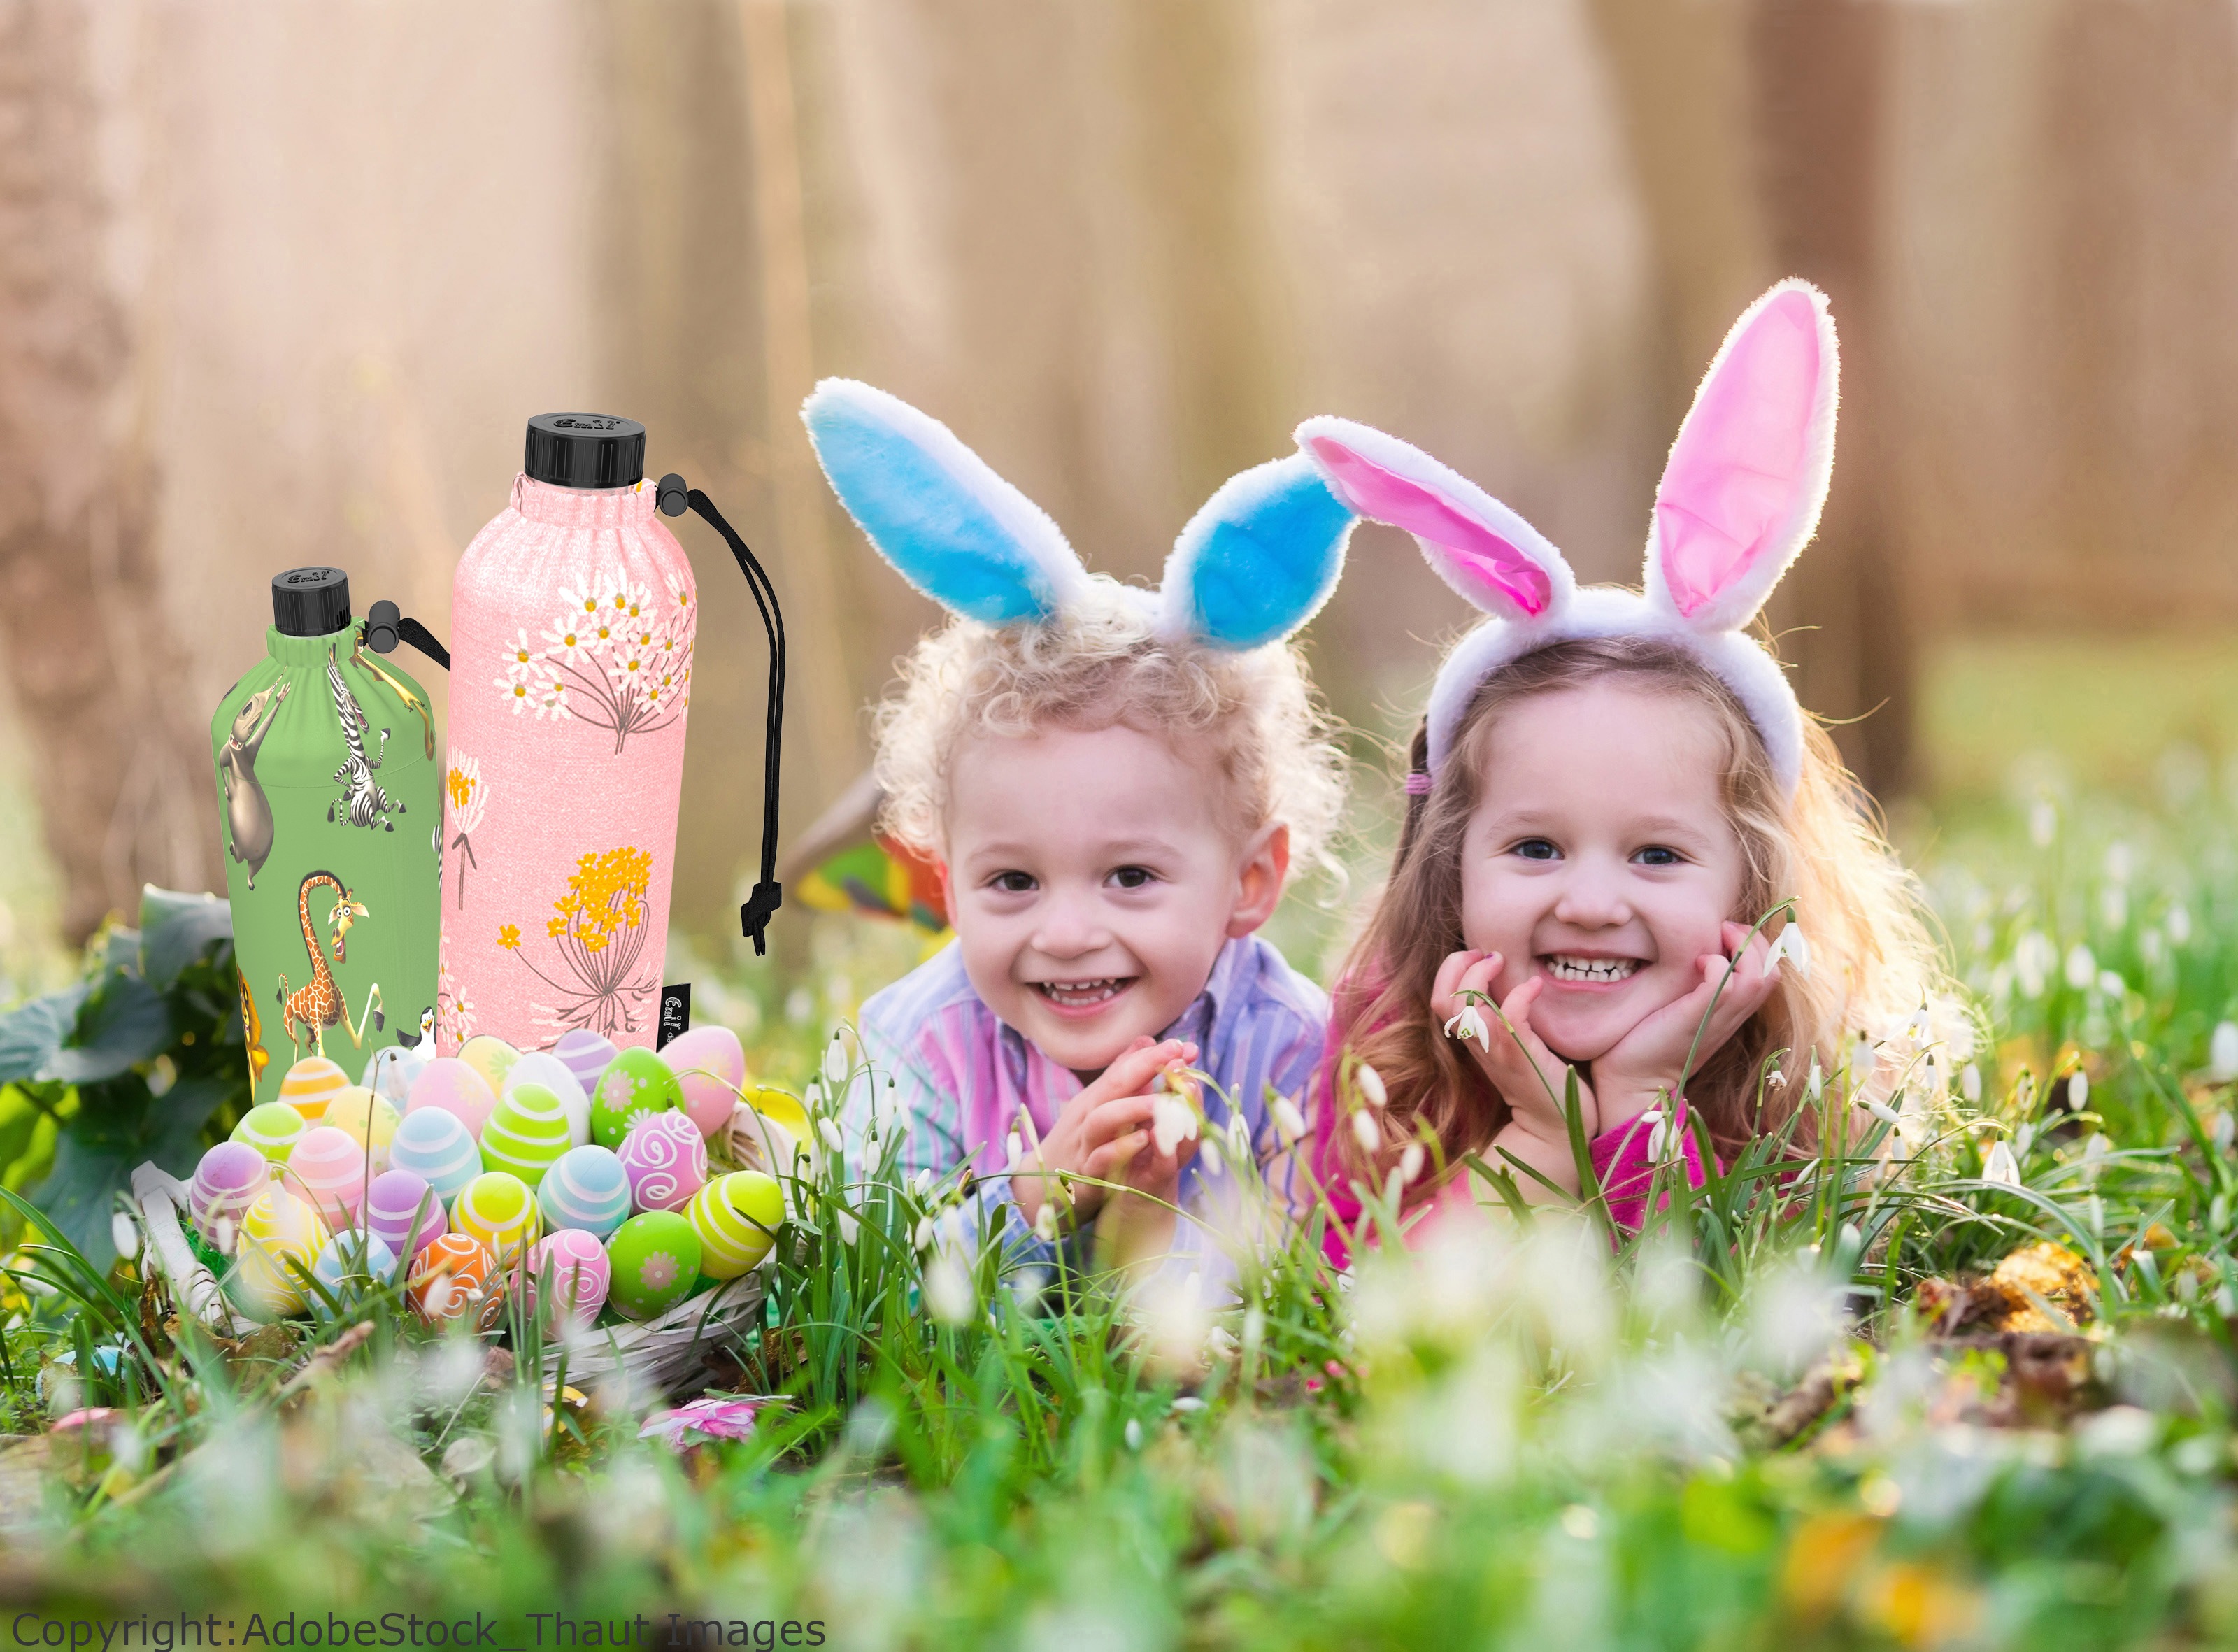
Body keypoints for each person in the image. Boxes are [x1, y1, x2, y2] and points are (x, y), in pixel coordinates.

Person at [1297, 280, 1963, 1246]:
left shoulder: (1805, 1076)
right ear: (1449, 865)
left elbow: (1710, 1322)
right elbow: (1362, 1319)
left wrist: (1641, 1096)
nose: (1592, 902)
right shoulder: (1388, 1043)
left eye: (1656, 855)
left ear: (1757, 884)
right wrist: (1540, 1132)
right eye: (1534, 847)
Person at [801, 378, 1360, 1273]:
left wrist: (1169, 1218)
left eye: (1130, 876)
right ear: (944, 879)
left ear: (1249, 881)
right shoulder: (914, 1047)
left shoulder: (1286, 1042)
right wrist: (1036, 1197)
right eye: (1012, 881)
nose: (1064, 934)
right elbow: (860, 1290)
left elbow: (1324, 1274)